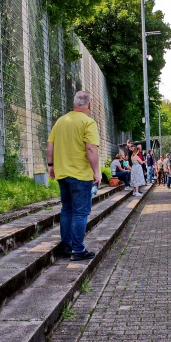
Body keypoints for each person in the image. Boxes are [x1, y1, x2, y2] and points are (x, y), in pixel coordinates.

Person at [47, 90, 100, 261]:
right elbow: (91, 149)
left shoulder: (61, 121)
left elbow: (50, 145)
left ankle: (67, 247)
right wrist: (97, 172)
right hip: (80, 175)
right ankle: (78, 250)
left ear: (74, 104)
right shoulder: (88, 122)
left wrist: (51, 166)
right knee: (80, 212)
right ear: (89, 105)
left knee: (66, 210)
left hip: (62, 174)